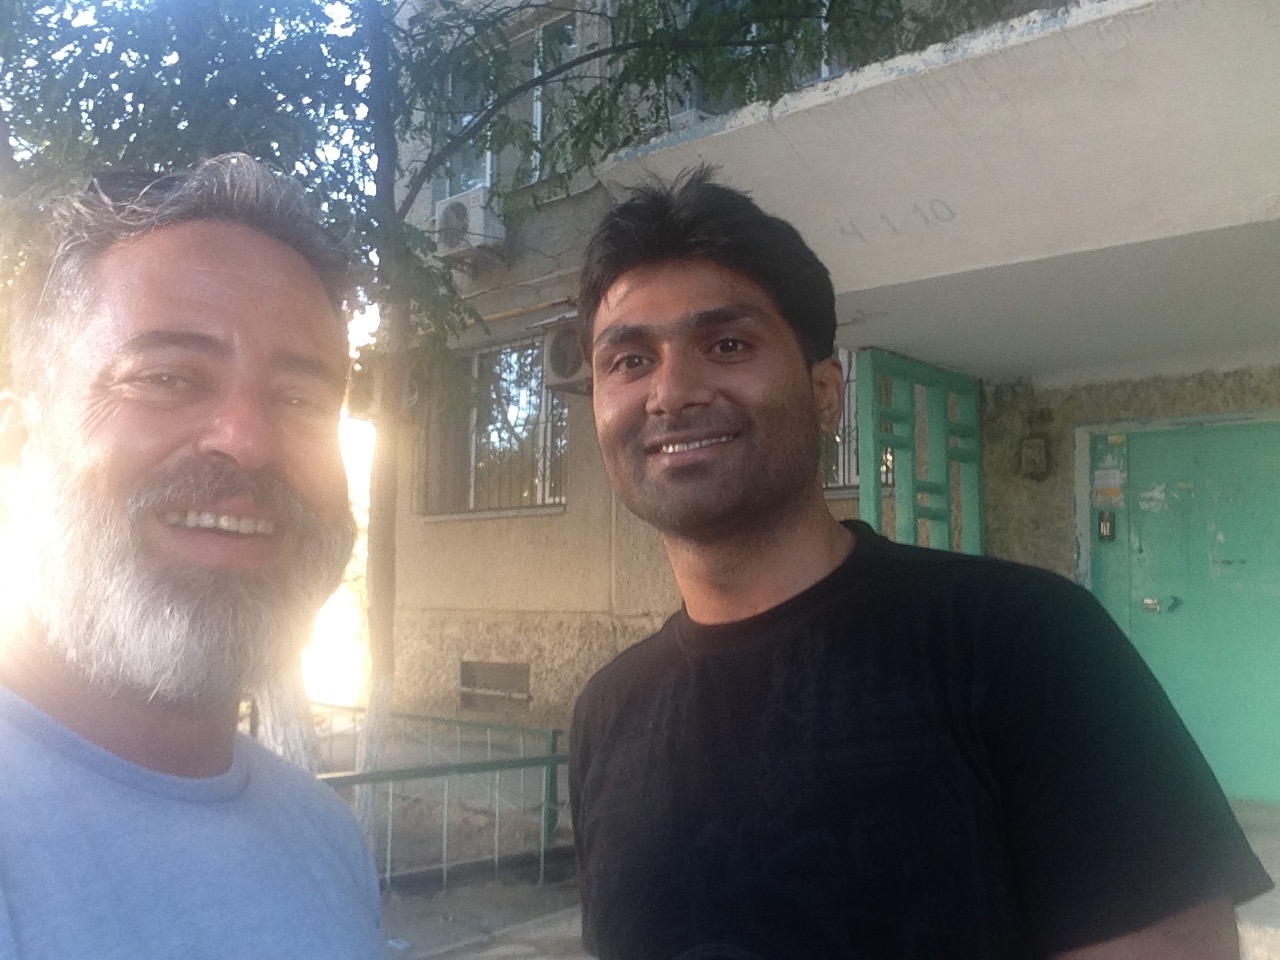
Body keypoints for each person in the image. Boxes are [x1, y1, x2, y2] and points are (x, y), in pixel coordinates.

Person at [568, 168, 1272, 960]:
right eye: (629, 360)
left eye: (727, 345)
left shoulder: (1022, 642)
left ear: (825, 393)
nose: (671, 392)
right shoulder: (606, 714)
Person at [0, 155, 383, 959]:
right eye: (168, 378)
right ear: (19, 440)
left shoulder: (322, 834)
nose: (247, 440)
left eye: (300, 398)